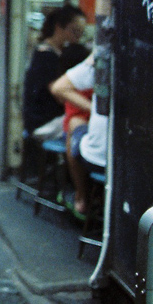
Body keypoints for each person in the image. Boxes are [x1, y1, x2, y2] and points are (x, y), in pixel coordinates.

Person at [51, 52, 106, 217]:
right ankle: (84, 196)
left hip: (96, 153)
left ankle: (81, 197)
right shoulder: (81, 86)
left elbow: (58, 88)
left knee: (75, 128)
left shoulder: (95, 67)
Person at [22, 5, 87, 139]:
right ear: (58, 28)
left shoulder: (60, 52)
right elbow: (61, 96)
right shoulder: (46, 55)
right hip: (44, 123)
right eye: (75, 31)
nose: (78, 38)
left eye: (81, 33)